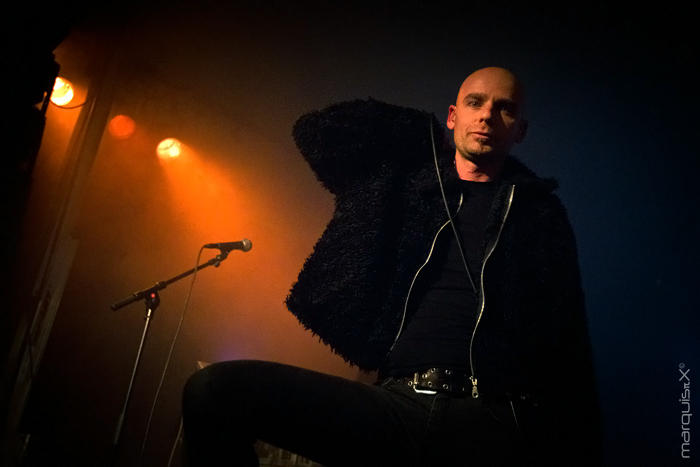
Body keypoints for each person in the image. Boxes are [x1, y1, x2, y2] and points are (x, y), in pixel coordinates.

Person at [182, 66, 603, 466]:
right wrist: (422, 130)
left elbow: (570, 342)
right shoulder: (404, 188)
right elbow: (315, 134)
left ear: (520, 131)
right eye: (475, 103)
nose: (488, 115)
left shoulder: (540, 214)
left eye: (504, 108)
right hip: (395, 406)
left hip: (492, 420)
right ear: (454, 116)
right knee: (214, 390)